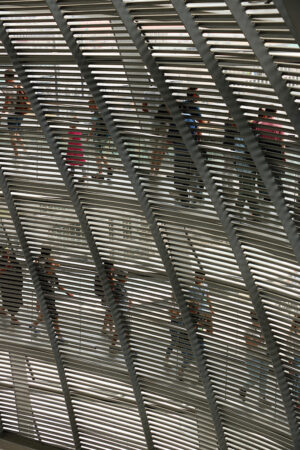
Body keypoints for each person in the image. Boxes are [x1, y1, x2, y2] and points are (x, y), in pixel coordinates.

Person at [165, 268, 213, 380]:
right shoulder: (185, 317)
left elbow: (206, 329)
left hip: (198, 338)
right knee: (189, 357)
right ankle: (181, 370)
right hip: (189, 340)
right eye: (193, 307)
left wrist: (205, 325)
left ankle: (198, 375)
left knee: (199, 356)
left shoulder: (199, 315)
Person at [29, 247, 73, 341]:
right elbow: (39, 289)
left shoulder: (53, 275)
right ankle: (59, 336)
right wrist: (38, 302)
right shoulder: (43, 277)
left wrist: (68, 293)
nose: (55, 266)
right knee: (55, 317)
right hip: (46, 298)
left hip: (51, 298)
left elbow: (58, 285)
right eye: (53, 265)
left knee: (44, 314)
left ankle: (33, 325)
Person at [172, 87, 207, 206]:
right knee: (192, 171)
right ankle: (196, 193)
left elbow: (169, 137)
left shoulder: (175, 119)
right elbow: (196, 133)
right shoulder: (191, 116)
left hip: (178, 150)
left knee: (181, 171)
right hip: (188, 150)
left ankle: (184, 196)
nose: (199, 95)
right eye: (197, 93)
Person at [252, 107, 285, 198]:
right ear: (275, 112)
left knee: (264, 175)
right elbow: (282, 144)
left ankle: (265, 196)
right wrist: (284, 157)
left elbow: (258, 140)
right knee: (277, 177)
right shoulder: (279, 125)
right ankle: (279, 196)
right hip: (276, 154)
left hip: (264, 154)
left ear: (266, 112)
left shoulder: (261, 125)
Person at [239, 310, 270, 408]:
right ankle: (244, 388)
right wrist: (260, 341)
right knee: (255, 378)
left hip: (264, 357)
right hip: (252, 358)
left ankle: (262, 398)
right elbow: (248, 344)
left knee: (263, 378)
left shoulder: (264, 330)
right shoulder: (248, 330)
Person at [0, 69, 31, 157]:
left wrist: (1, 114)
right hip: (20, 113)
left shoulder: (8, 88)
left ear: (6, 77)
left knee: (12, 136)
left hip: (12, 114)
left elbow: (7, 102)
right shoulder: (16, 86)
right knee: (16, 132)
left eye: (4, 76)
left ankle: (17, 154)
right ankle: (25, 150)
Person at [87, 99, 112, 181]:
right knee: (100, 153)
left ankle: (100, 173)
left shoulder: (96, 114)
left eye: (90, 105)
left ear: (94, 105)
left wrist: (88, 136)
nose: (89, 107)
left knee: (98, 155)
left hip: (98, 137)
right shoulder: (101, 113)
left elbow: (93, 127)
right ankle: (109, 168)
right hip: (104, 136)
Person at [109, 269, 131, 353]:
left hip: (123, 309)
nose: (127, 277)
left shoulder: (121, 285)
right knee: (127, 330)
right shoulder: (118, 286)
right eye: (126, 276)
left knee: (119, 329)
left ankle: (113, 346)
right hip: (121, 311)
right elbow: (116, 298)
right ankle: (128, 349)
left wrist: (128, 300)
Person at [0, 247, 23, 325]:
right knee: (10, 300)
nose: (7, 253)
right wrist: (6, 268)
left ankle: (1, 310)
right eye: (5, 252)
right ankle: (13, 318)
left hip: (14, 284)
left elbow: (19, 270)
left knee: (8, 300)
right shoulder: (2, 261)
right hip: (6, 285)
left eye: (8, 252)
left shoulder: (13, 260)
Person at [95, 260, 115, 335]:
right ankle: (109, 330)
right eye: (112, 267)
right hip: (107, 296)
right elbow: (111, 285)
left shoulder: (101, 272)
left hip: (104, 296)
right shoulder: (106, 275)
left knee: (108, 313)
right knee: (109, 313)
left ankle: (105, 329)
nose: (113, 268)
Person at [150, 103, 170, 175]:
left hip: (155, 124)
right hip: (164, 126)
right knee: (161, 150)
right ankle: (156, 170)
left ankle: (152, 169)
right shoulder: (169, 107)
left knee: (154, 149)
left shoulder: (161, 105)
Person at [289, 314, 300, 409]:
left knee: (297, 381)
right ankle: (296, 401)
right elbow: (289, 349)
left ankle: (297, 401)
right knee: (296, 381)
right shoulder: (293, 334)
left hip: (296, 359)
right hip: (296, 360)